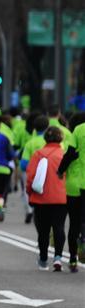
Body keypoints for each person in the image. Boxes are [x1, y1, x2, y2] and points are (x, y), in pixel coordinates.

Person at [26, 126, 68, 271]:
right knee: (59, 227)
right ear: (61, 138)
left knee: (43, 230)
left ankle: (43, 259)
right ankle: (58, 258)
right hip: (61, 198)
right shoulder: (63, 155)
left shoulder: (38, 154)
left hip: (41, 198)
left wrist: (29, 192)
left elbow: (31, 176)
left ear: (45, 138)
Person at [57, 112, 85, 272]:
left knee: (74, 223)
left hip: (74, 185)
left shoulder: (79, 130)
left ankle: (73, 259)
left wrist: (60, 171)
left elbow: (69, 154)